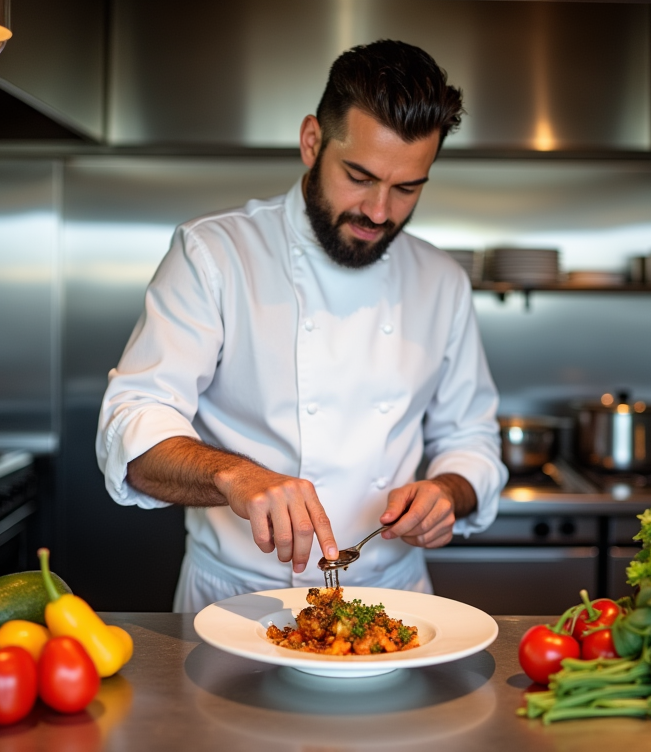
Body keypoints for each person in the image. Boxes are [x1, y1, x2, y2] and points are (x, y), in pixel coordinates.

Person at [96, 40, 507, 612]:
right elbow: (132, 425)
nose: (380, 212)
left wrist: (448, 493)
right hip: (238, 601)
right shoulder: (215, 253)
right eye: (359, 177)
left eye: (407, 187)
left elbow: (471, 441)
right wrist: (233, 475)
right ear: (312, 141)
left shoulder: (440, 280)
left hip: (394, 600)